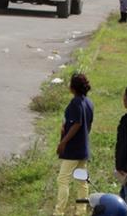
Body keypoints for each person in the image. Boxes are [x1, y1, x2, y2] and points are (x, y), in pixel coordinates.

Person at [53, 73, 94, 216]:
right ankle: (81, 211)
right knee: (82, 180)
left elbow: (77, 124)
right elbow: (87, 126)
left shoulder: (75, 103)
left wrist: (63, 142)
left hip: (73, 148)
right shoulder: (89, 103)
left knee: (62, 179)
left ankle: (59, 212)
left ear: (73, 87)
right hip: (83, 148)